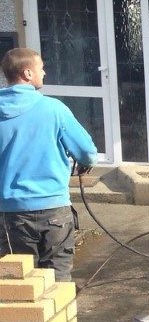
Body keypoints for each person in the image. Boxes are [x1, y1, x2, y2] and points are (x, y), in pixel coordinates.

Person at [0, 48, 98, 281]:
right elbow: (87, 152)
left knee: (21, 283)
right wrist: (85, 163)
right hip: (53, 209)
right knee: (58, 280)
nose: (44, 72)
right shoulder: (54, 109)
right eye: (40, 68)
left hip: (11, 214)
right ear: (27, 73)